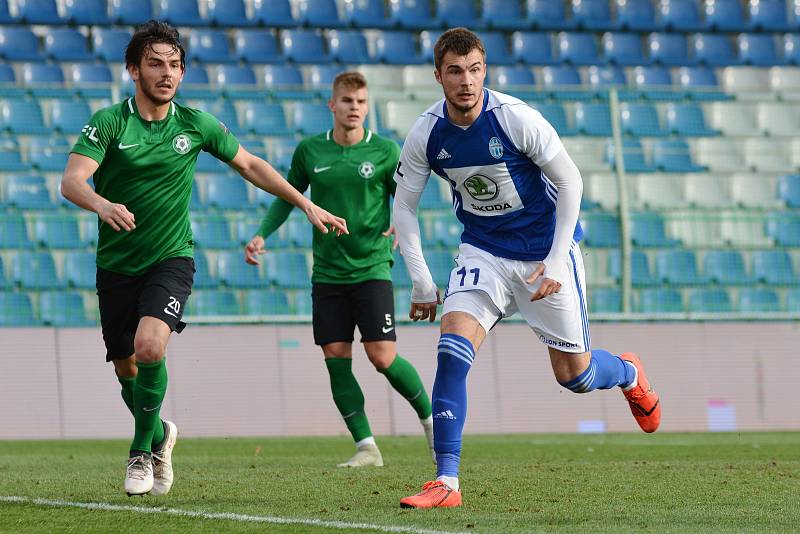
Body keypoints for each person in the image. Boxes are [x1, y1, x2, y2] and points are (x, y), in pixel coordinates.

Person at [60, 20, 347, 497]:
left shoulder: (194, 123)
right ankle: (161, 435)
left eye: (175, 65)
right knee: (126, 369)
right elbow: (72, 181)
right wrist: (101, 203)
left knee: (151, 346)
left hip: (172, 256)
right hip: (116, 264)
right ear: (134, 69)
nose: (167, 73)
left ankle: (139, 452)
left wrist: (306, 203)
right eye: (155, 63)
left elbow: (251, 165)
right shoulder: (110, 122)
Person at [392, 28, 661, 509]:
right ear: (438, 76)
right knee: (452, 350)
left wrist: (558, 258)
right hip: (483, 252)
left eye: (474, 69)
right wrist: (422, 280)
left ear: (485, 71)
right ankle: (446, 481)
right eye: (454, 71)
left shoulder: (515, 118)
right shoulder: (426, 134)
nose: (466, 82)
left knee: (573, 377)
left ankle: (626, 372)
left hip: (543, 254)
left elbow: (570, 182)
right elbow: (404, 208)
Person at [244, 71, 435, 468]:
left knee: (382, 357)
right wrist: (263, 234)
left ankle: (432, 423)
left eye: (361, 102)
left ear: (368, 107)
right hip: (328, 273)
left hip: (371, 267)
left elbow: (407, 198)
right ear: (332, 105)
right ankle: (366, 446)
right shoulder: (310, 151)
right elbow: (287, 196)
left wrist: (401, 222)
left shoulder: (384, 151)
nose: (355, 109)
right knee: (335, 354)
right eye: (347, 101)